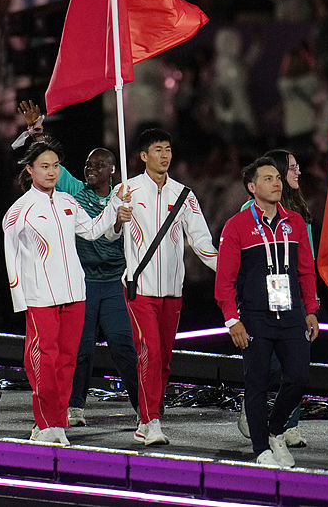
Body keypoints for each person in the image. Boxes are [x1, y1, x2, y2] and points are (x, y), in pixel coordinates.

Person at [16, 101, 140, 427]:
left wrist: (120, 216)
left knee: (124, 345)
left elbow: (115, 232)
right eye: (87, 165)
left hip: (114, 282)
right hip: (82, 283)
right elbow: (47, 163)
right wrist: (36, 130)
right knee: (80, 350)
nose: (90, 170)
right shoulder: (74, 192)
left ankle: (145, 409)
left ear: (112, 170)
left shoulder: (125, 196)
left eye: (98, 166)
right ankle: (73, 407)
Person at [215, 157, 319, 467]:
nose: (277, 183)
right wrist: (232, 319)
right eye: (269, 178)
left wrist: (311, 309)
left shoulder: (295, 222)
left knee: (299, 377)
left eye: (278, 177)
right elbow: (225, 280)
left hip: (291, 314)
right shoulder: (237, 225)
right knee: (257, 383)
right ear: (252, 187)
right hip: (256, 316)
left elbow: (306, 270)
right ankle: (261, 448)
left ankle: (275, 431)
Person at [123, 128, 219, 445]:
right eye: (158, 149)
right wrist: (116, 216)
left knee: (163, 359)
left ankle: (148, 415)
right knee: (149, 353)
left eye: (168, 149)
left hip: (173, 293)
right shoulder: (128, 190)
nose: (165, 155)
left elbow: (202, 242)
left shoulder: (184, 195)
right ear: (143, 156)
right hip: (140, 291)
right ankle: (151, 421)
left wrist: (229, 269)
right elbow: (108, 233)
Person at [237, 149, 314, 448]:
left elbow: (306, 260)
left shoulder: (297, 214)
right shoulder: (249, 212)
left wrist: (310, 302)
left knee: (294, 369)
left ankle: (286, 425)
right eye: (291, 168)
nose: (296, 174)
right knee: (266, 368)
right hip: (259, 303)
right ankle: (257, 416)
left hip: (291, 299)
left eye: (290, 172)